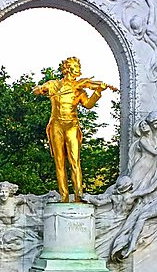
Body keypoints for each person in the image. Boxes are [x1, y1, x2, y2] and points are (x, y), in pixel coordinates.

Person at [33, 56, 117, 202]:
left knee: (74, 161)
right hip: (56, 125)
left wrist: (98, 92)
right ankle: (64, 196)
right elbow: (35, 91)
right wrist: (40, 89)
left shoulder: (79, 88)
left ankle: (79, 195)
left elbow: (88, 104)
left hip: (72, 125)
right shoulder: (53, 85)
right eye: (76, 67)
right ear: (68, 68)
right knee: (59, 162)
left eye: (78, 67)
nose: (78, 70)